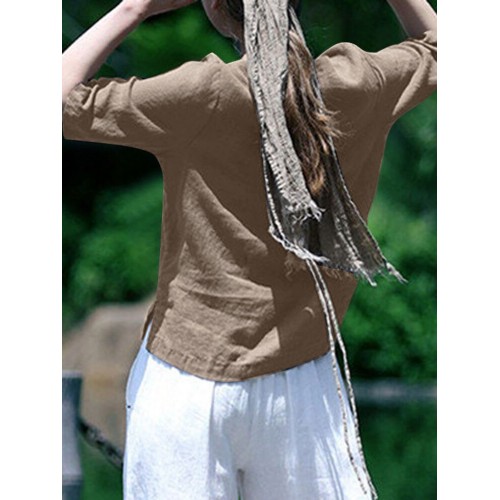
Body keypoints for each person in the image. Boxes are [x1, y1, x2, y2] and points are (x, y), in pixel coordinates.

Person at [62, 0, 437, 498]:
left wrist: (134, 9)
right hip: (304, 384)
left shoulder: (201, 94)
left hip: (185, 386)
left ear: (218, 8)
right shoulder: (355, 84)